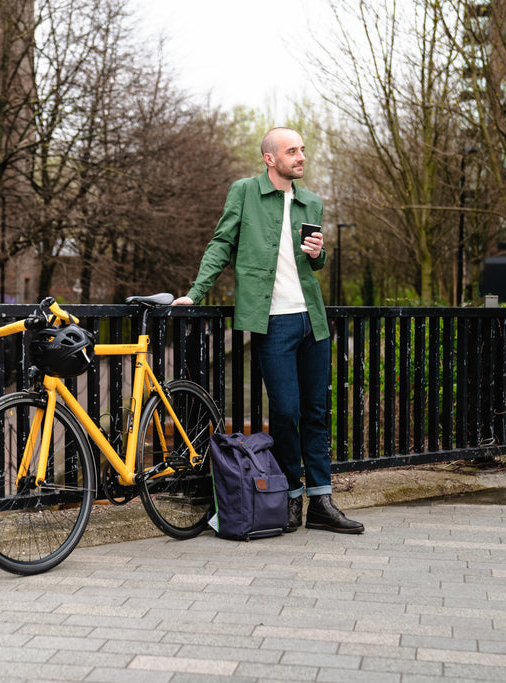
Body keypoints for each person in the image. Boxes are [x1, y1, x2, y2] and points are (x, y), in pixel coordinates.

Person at [173, 127, 364, 534]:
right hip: (272, 321)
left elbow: (317, 262)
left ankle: (322, 501)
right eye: (292, 151)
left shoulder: (311, 201)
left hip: (311, 320)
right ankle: (290, 498)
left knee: (316, 412)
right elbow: (221, 244)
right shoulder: (244, 192)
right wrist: (195, 293)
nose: (301, 156)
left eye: (302, 150)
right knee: (286, 412)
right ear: (270, 159)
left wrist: (319, 254)